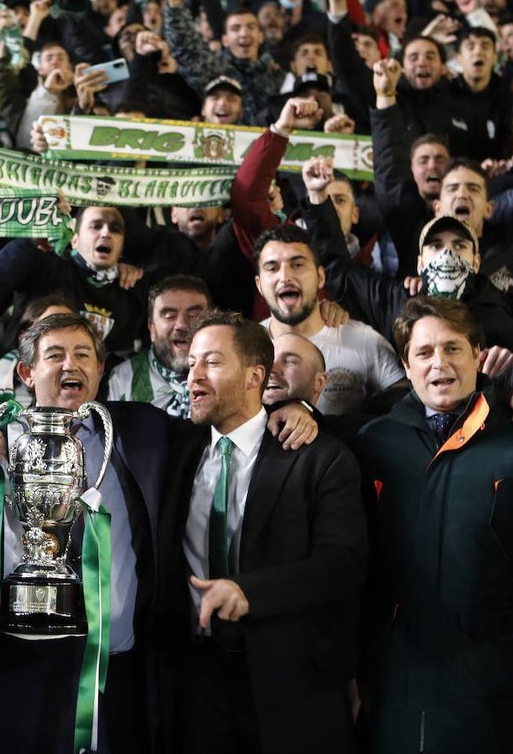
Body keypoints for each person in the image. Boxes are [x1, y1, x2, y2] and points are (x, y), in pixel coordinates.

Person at [355, 296, 513, 753]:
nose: (441, 363)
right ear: (405, 365)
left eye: (453, 348)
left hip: (506, 681)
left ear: (478, 354)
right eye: (425, 352)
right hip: (402, 682)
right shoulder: (374, 443)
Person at [0, 312, 175, 754]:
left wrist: (297, 408)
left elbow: (224, 427)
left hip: (118, 667)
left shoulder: (143, 430)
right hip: (24, 669)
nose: (69, 365)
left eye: (83, 355)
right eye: (54, 355)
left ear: (100, 370)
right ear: (27, 372)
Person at [157, 309, 366, 754]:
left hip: (290, 689)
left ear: (255, 376)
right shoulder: (176, 449)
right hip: (195, 683)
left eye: (212, 362)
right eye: (192, 362)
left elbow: (342, 564)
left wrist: (250, 591)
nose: (194, 375)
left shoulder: (319, 456)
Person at [254, 223, 409, 415]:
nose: (285, 276)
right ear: (259, 285)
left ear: (320, 277)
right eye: (272, 268)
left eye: (297, 265)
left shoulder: (364, 340)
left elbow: (406, 405)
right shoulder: (245, 349)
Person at [107, 275, 211, 418]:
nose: (182, 325)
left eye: (194, 315)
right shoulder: (123, 378)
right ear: (152, 329)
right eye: (169, 315)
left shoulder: (231, 375)